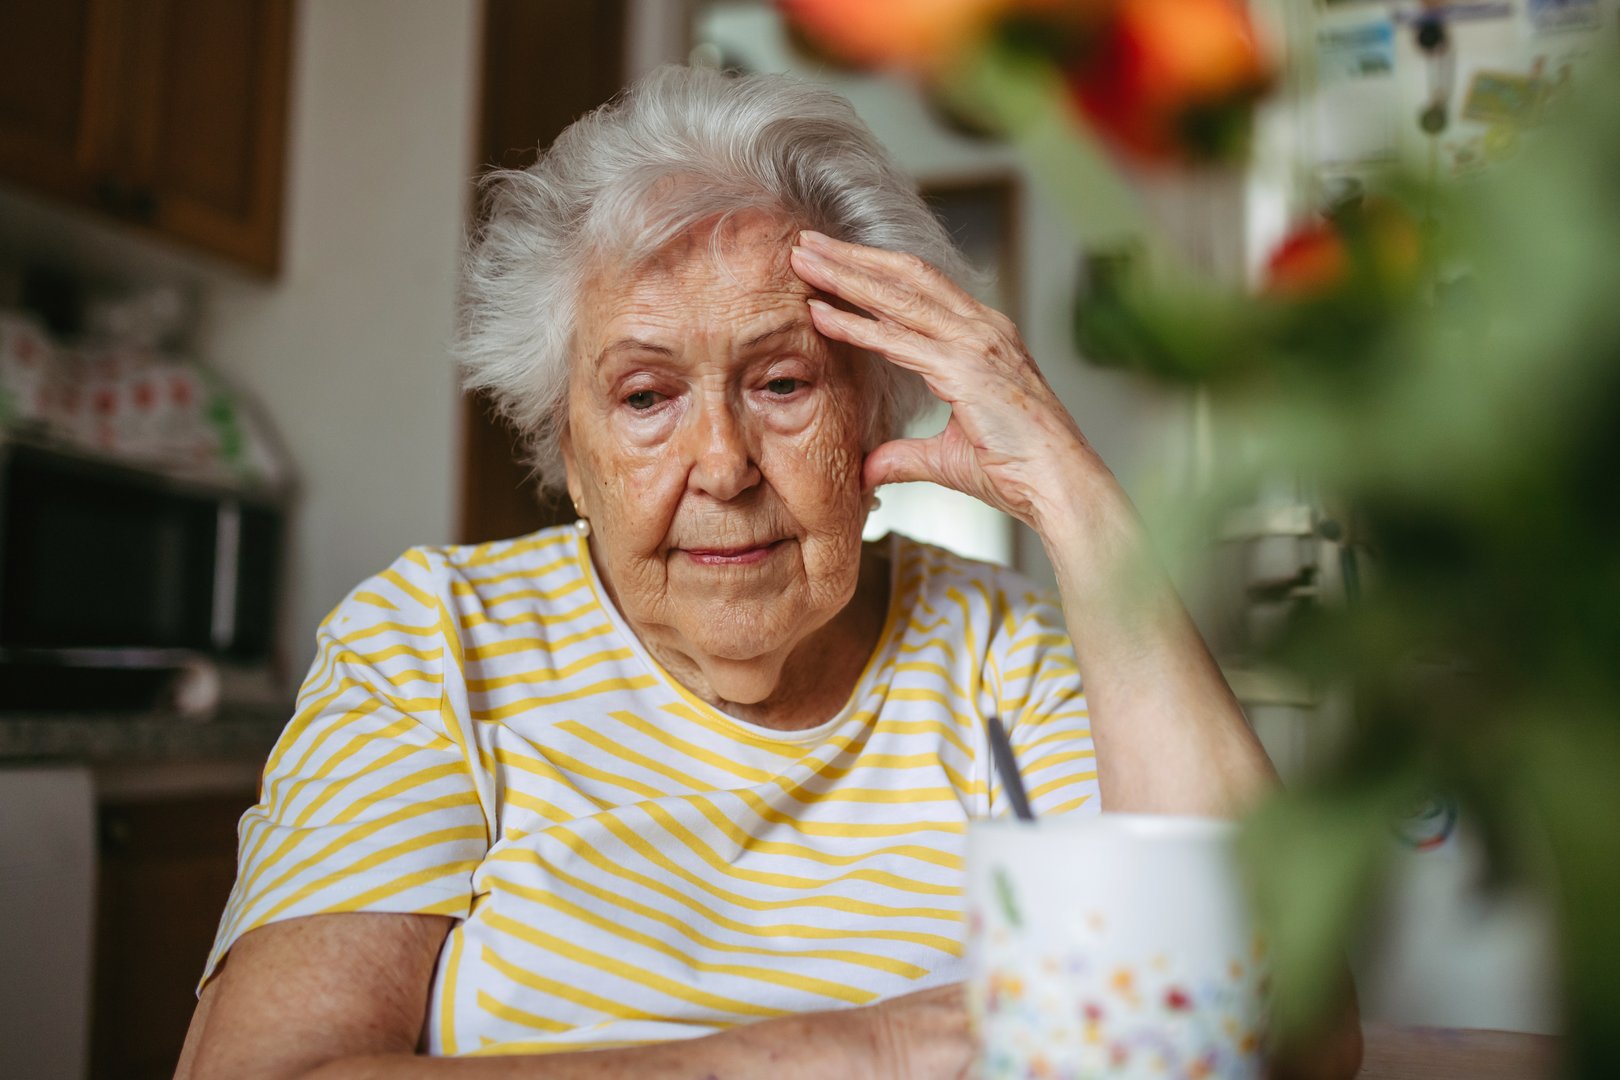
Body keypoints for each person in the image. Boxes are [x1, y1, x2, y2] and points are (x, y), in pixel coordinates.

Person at [176, 66, 1340, 1079]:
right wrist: (857, 1054)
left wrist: (1078, 501)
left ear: (877, 407)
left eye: (783, 383)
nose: (723, 465)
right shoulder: (436, 645)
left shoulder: (1002, 658)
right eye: (644, 397)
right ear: (566, 451)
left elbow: (1283, 1034)